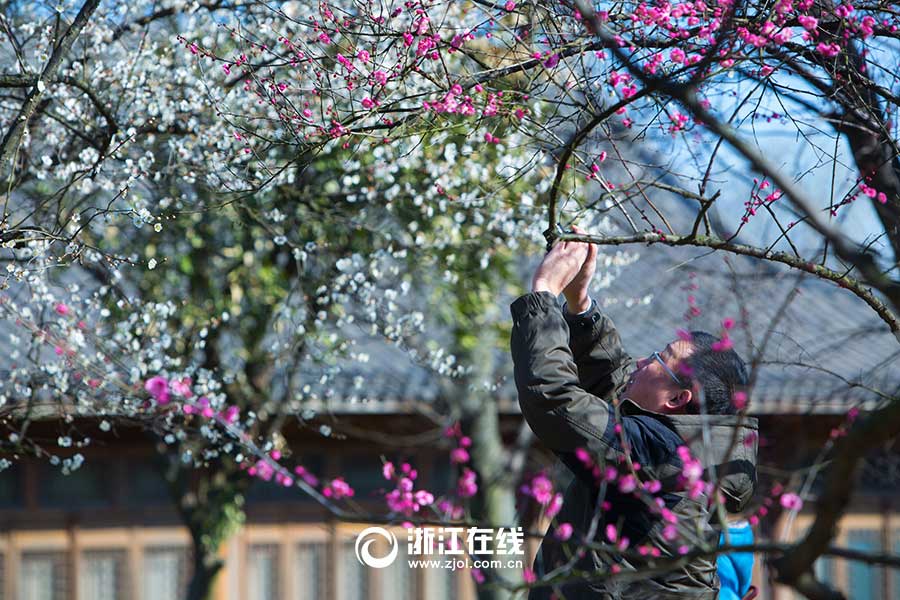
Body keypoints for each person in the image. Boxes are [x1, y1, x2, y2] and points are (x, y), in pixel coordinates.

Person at [510, 227, 758, 599]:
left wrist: (544, 294)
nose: (642, 360)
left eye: (659, 358)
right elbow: (617, 383)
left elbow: (556, 401)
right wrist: (579, 306)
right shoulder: (687, 446)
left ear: (677, 398)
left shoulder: (659, 454)